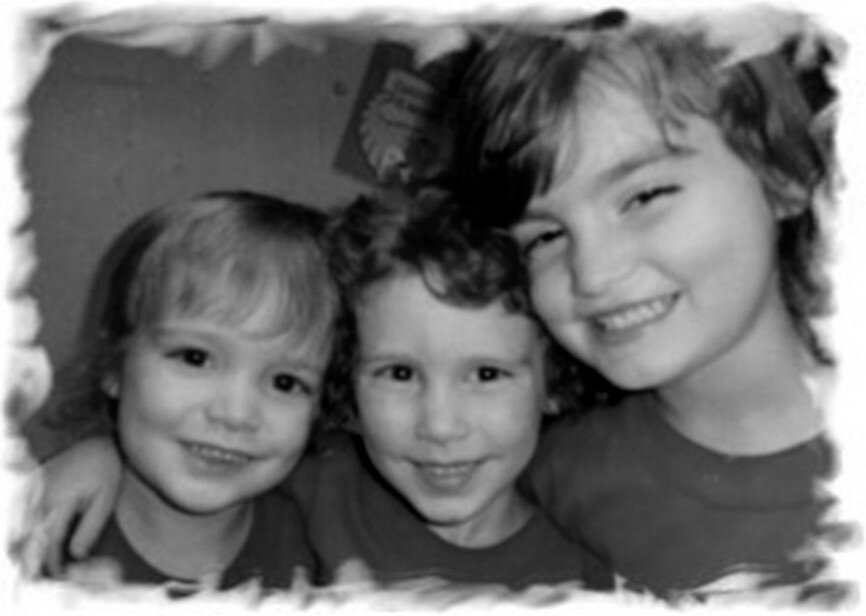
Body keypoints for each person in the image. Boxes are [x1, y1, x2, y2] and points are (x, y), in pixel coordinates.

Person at [16, 190, 611, 593]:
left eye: (284, 382)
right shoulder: (319, 487)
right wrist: (98, 453)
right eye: (195, 357)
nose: (440, 425)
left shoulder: (595, 563)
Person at [447, 17, 846, 602]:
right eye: (546, 237)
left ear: (781, 175)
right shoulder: (552, 479)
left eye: (644, 196)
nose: (593, 274)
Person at [16, 191, 338, 595]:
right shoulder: (35, 537)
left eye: (285, 382)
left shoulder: (327, 539)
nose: (235, 413)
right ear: (114, 363)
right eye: (195, 358)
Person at [294, 190, 611, 590]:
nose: (440, 426)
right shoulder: (299, 493)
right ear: (347, 373)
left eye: (486, 375)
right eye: (399, 374)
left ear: (554, 378)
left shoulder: (589, 575)